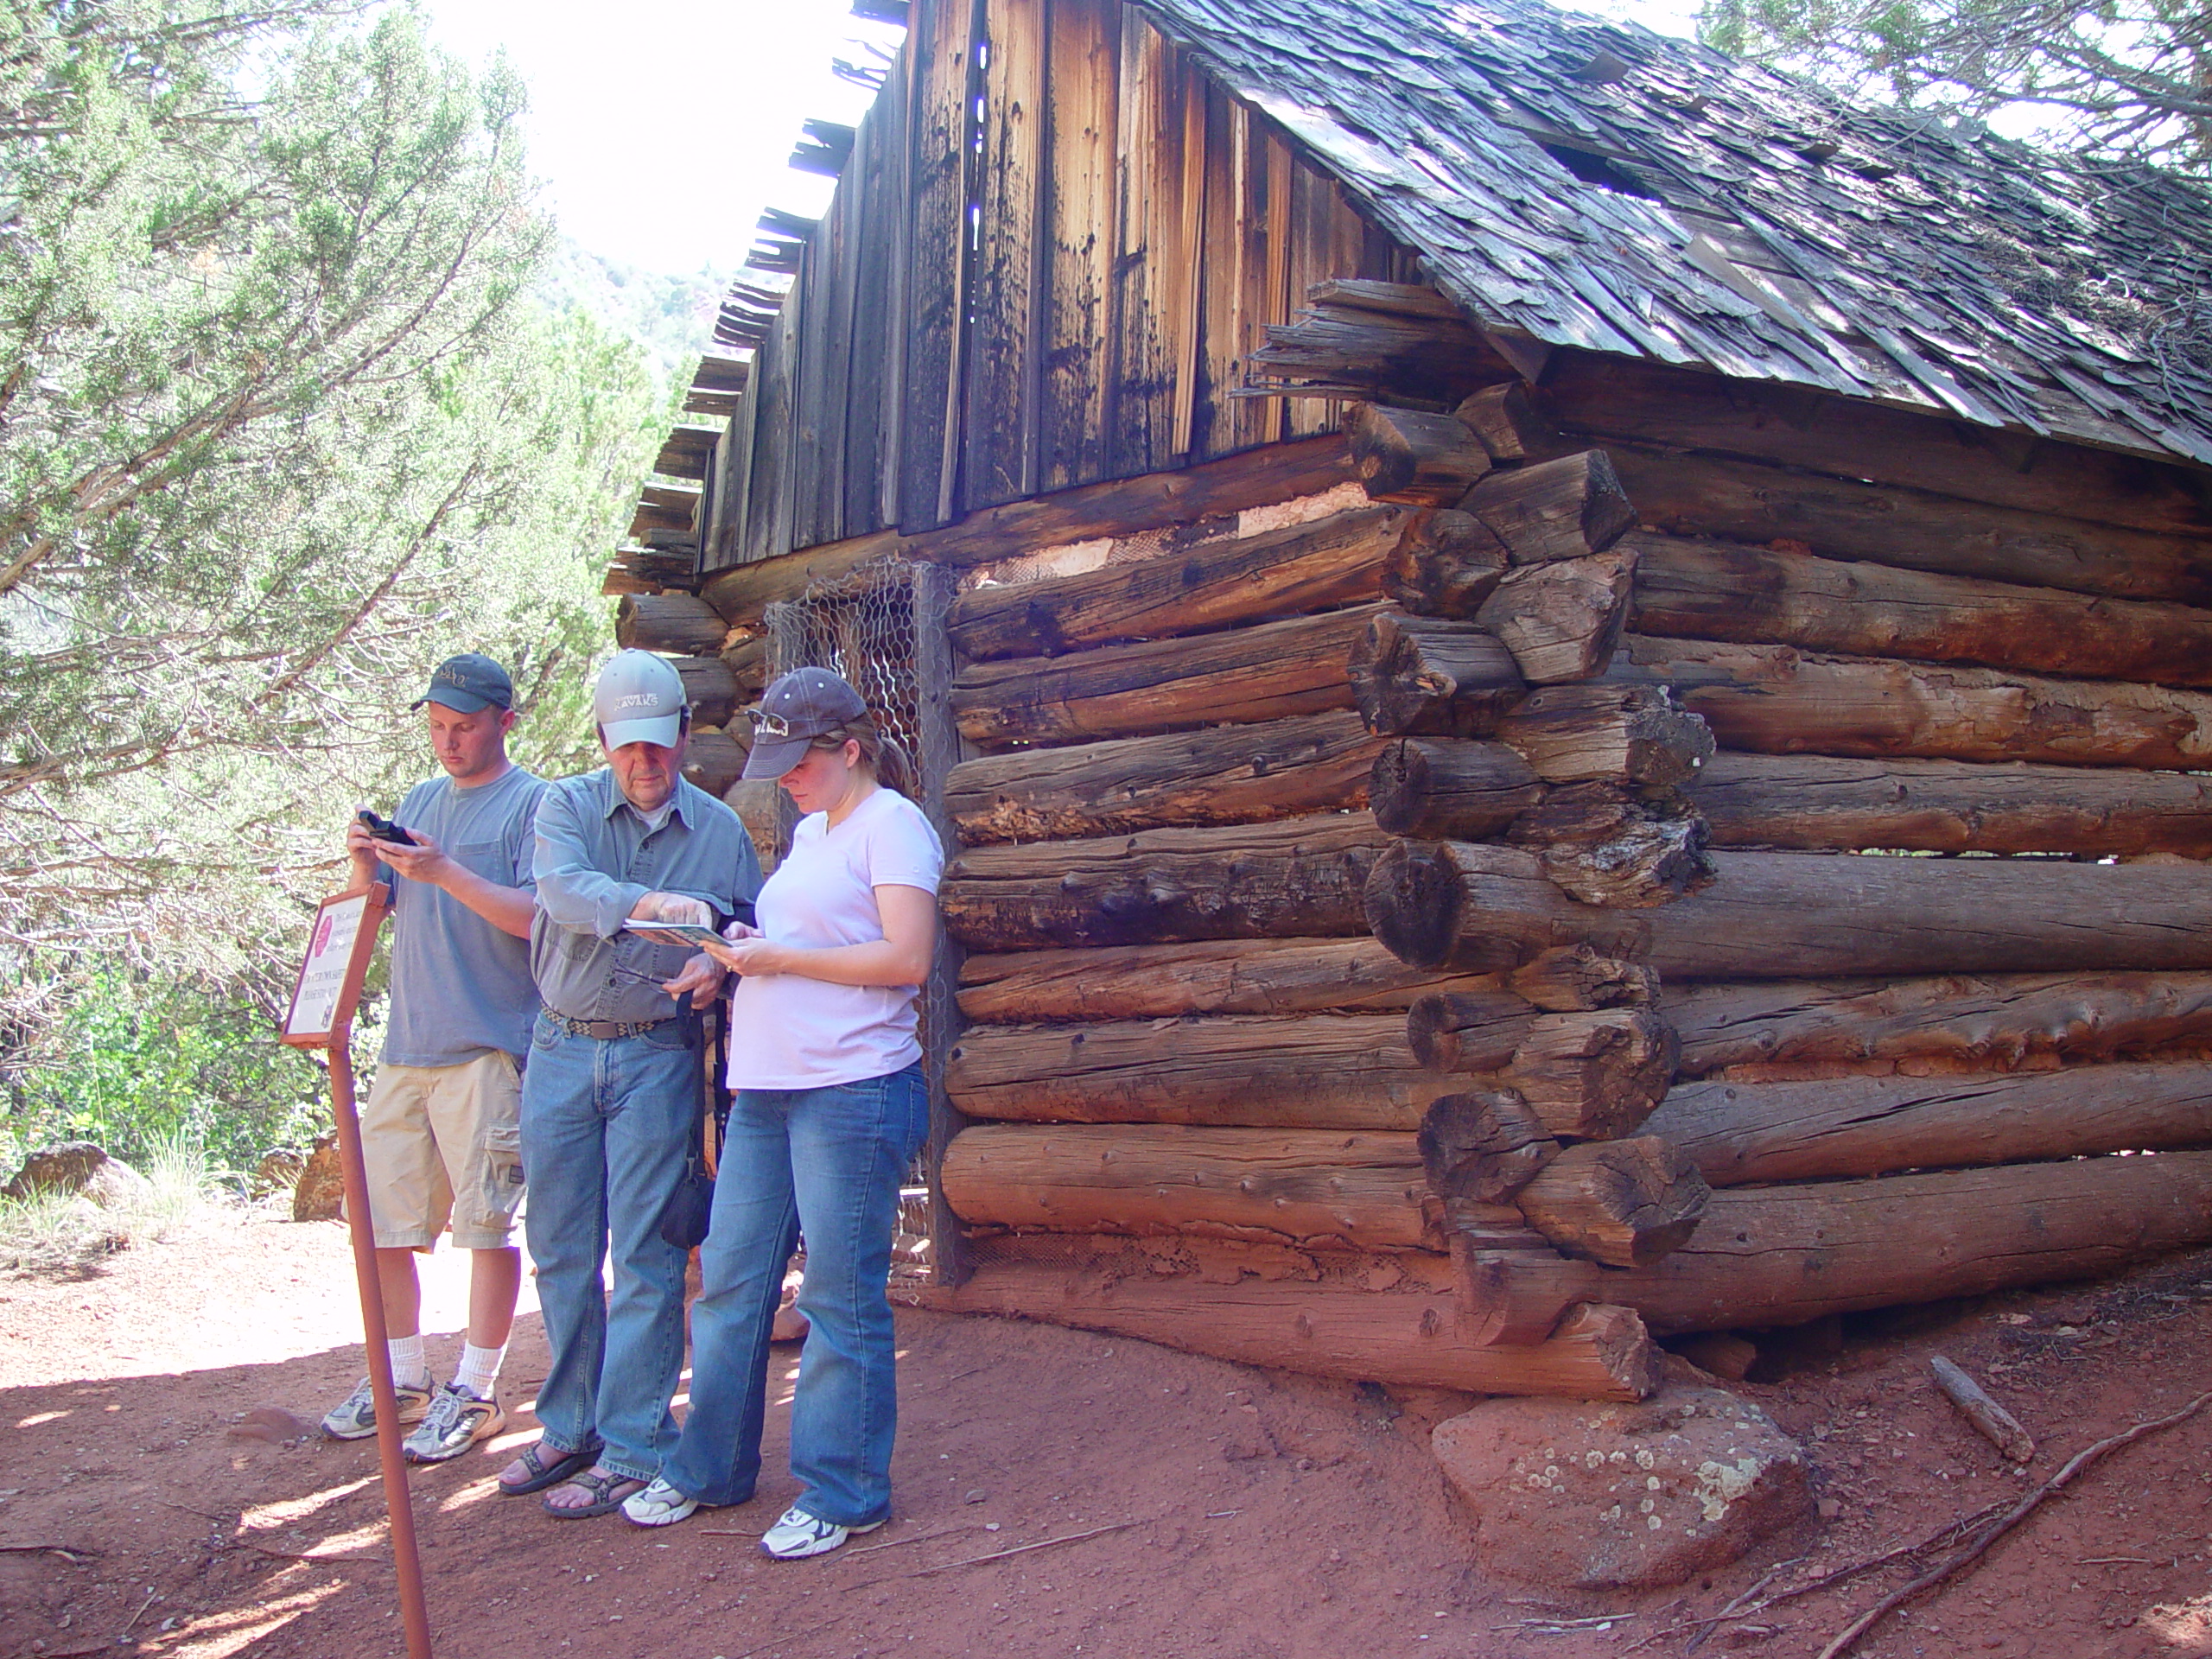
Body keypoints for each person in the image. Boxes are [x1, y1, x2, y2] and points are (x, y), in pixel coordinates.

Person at [620, 666, 943, 1560]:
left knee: (838, 1298)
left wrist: (780, 961)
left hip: (853, 1087)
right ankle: (709, 1467)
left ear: (849, 748)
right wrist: (723, 959)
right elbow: (798, 944)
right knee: (731, 1283)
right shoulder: (809, 832)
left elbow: (904, 958)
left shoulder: (894, 827)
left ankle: (844, 1492)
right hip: (766, 1086)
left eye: (800, 761)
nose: (786, 778)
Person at [497, 650, 762, 1519]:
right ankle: (569, 1427)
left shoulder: (719, 829)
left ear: (684, 735)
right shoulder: (563, 806)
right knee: (563, 1243)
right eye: (626, 747)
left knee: (646, 1251)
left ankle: (635, 1442)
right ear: (603, 742)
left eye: (658, 744)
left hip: (657, 1053)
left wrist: (719, 967)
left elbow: (745, 930)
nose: (644, 763)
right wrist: (671, 909)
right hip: (563, 1045)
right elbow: (565, 894)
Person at [320, 653, 545, 1465]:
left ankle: (477, 1390)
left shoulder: (534, 804)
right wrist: (366, 863)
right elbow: (373, 910)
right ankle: (402, 1378)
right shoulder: (420, 802)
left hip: (488, 1049)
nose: (449, 743)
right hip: (405, 1049)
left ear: (504, 723)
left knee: (487, 1229)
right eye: (438, 728)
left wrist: (445, 870)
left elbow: (539, 921)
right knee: (381, 1227)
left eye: (465, 727)